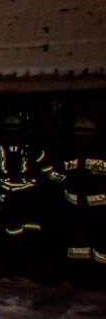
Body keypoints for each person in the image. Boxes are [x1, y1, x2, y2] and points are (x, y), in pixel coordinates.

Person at [0, 112, 61, 273]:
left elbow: (48, 171)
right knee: (10, 237)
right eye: (10, 130)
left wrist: (57, 181)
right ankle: (13, 268)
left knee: (32, 237)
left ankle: (30, 268)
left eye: (16, 129)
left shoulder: (33, 149)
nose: (13, 133)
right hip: (8, 202)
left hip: (30, 201)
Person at [56, 117, 106, 280]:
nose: (83, 137)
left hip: (100, 210)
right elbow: (55, 174)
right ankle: (77, 277)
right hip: (73, 209)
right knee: (76, 247)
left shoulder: (103, 152)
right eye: (79, 133)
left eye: (87, 133)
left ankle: (99, 278)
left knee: (101, 248)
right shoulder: (66, 152)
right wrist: (61, 185)